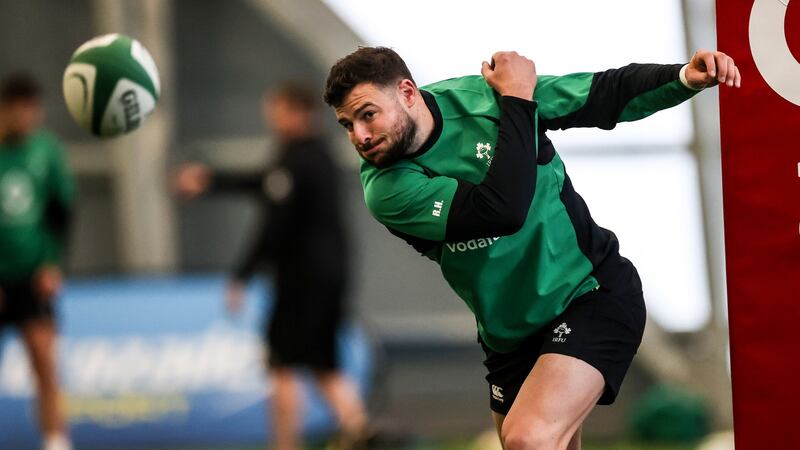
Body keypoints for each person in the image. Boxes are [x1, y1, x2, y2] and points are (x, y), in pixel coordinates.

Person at [323, 47, 739, 450]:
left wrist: (684, 77)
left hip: (588, 294)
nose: (359, 135)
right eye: (347, 124)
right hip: (509, 337)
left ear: (408, 93)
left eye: (368, 115)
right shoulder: (387, 190)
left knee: (529, 438)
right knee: (534, 441)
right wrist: (519, 100)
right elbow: (500, 212)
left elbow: (600, 94)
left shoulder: (481, 99)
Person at [175, 82, 369, 450]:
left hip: (304, 281)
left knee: (283, 365)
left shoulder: (300, 159)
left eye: (277, 110)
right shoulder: (309, 157)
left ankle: (285, 445)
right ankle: (362, 434)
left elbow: (275, 222)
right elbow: (263, 183)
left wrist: (242, 275)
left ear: (298, 112)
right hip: (327, 277)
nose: (272, 118)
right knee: (324, 366)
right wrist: (210, 180)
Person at [0, 73, 75, 450]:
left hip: (32, 276)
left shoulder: (47, 151)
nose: (28, 118)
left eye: (34, 109)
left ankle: (55, 440)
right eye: (20, 110)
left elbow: (61, 212)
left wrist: (52, 262)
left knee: (45, 363)